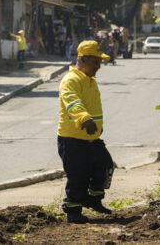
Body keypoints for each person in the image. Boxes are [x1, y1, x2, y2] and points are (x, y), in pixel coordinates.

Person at [57, 40, 115, 224]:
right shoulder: (71, 80)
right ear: (82, 59)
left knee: (105, 165)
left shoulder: (90, 80)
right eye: (95, 62)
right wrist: (85, 119)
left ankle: (93, 199)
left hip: (91, 137)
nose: (99, 66)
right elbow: (72, 102)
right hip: (72, 139)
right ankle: (73, 210)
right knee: (77, 175)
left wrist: (98, 125)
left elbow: (94, 107)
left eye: (100, 62)